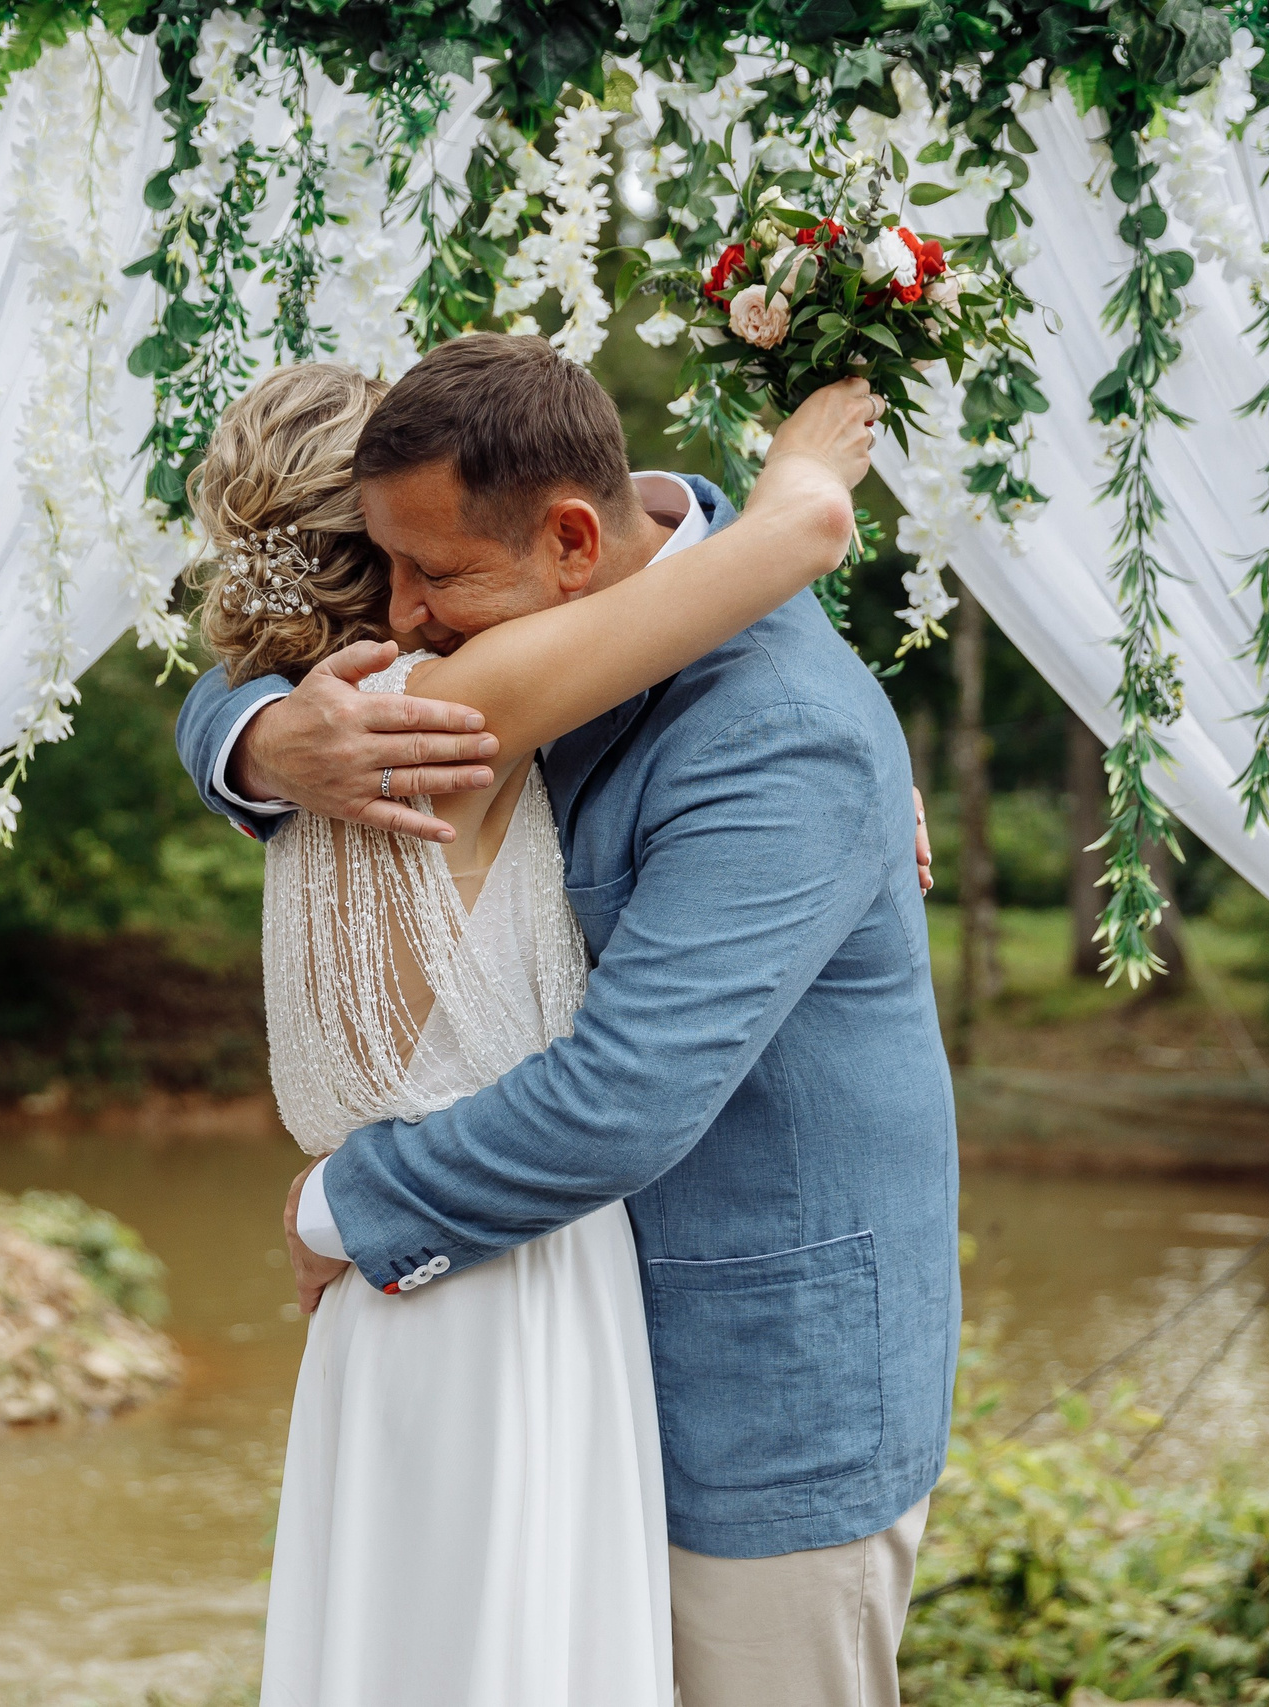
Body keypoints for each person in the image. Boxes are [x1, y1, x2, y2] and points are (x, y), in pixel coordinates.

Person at [178, 334, 957, 1707]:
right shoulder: (409, 687)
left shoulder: (781, 726)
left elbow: (626, 1093)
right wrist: (246, 736)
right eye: (391, 572)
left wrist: (343, 1209)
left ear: (575, 545)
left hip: (752, 1396)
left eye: (436, 579)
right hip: (537, 1327)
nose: (413, 618)